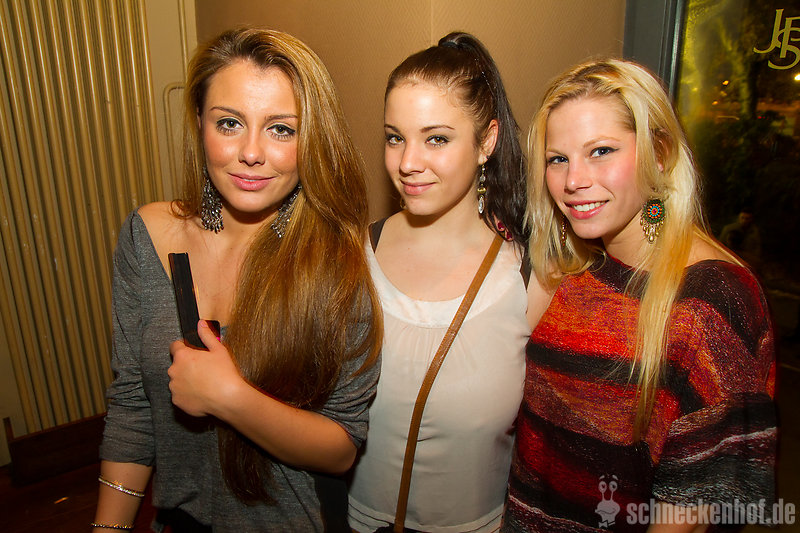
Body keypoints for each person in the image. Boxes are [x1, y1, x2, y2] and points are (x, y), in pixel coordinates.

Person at [93, 28, 382, 532]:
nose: (251, 152)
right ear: (199, 123)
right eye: (229, 123)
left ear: (312, 139)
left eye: (281, 130)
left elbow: (340, 449)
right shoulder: (147, 236)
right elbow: (132, 409)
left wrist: (231, 398)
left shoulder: (337, 262)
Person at [503, 58, 777, 532]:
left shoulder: (713, 299)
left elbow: (692, 515)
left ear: (660, 153)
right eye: (557, 159)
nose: (573, 181)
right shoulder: (581, 267)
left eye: (601, 151)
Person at [347, 32, 532, 533]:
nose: (407, 162)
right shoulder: (353, 256)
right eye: (394, 137)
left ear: (486, 141)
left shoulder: (528, 276)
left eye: (436, 139)